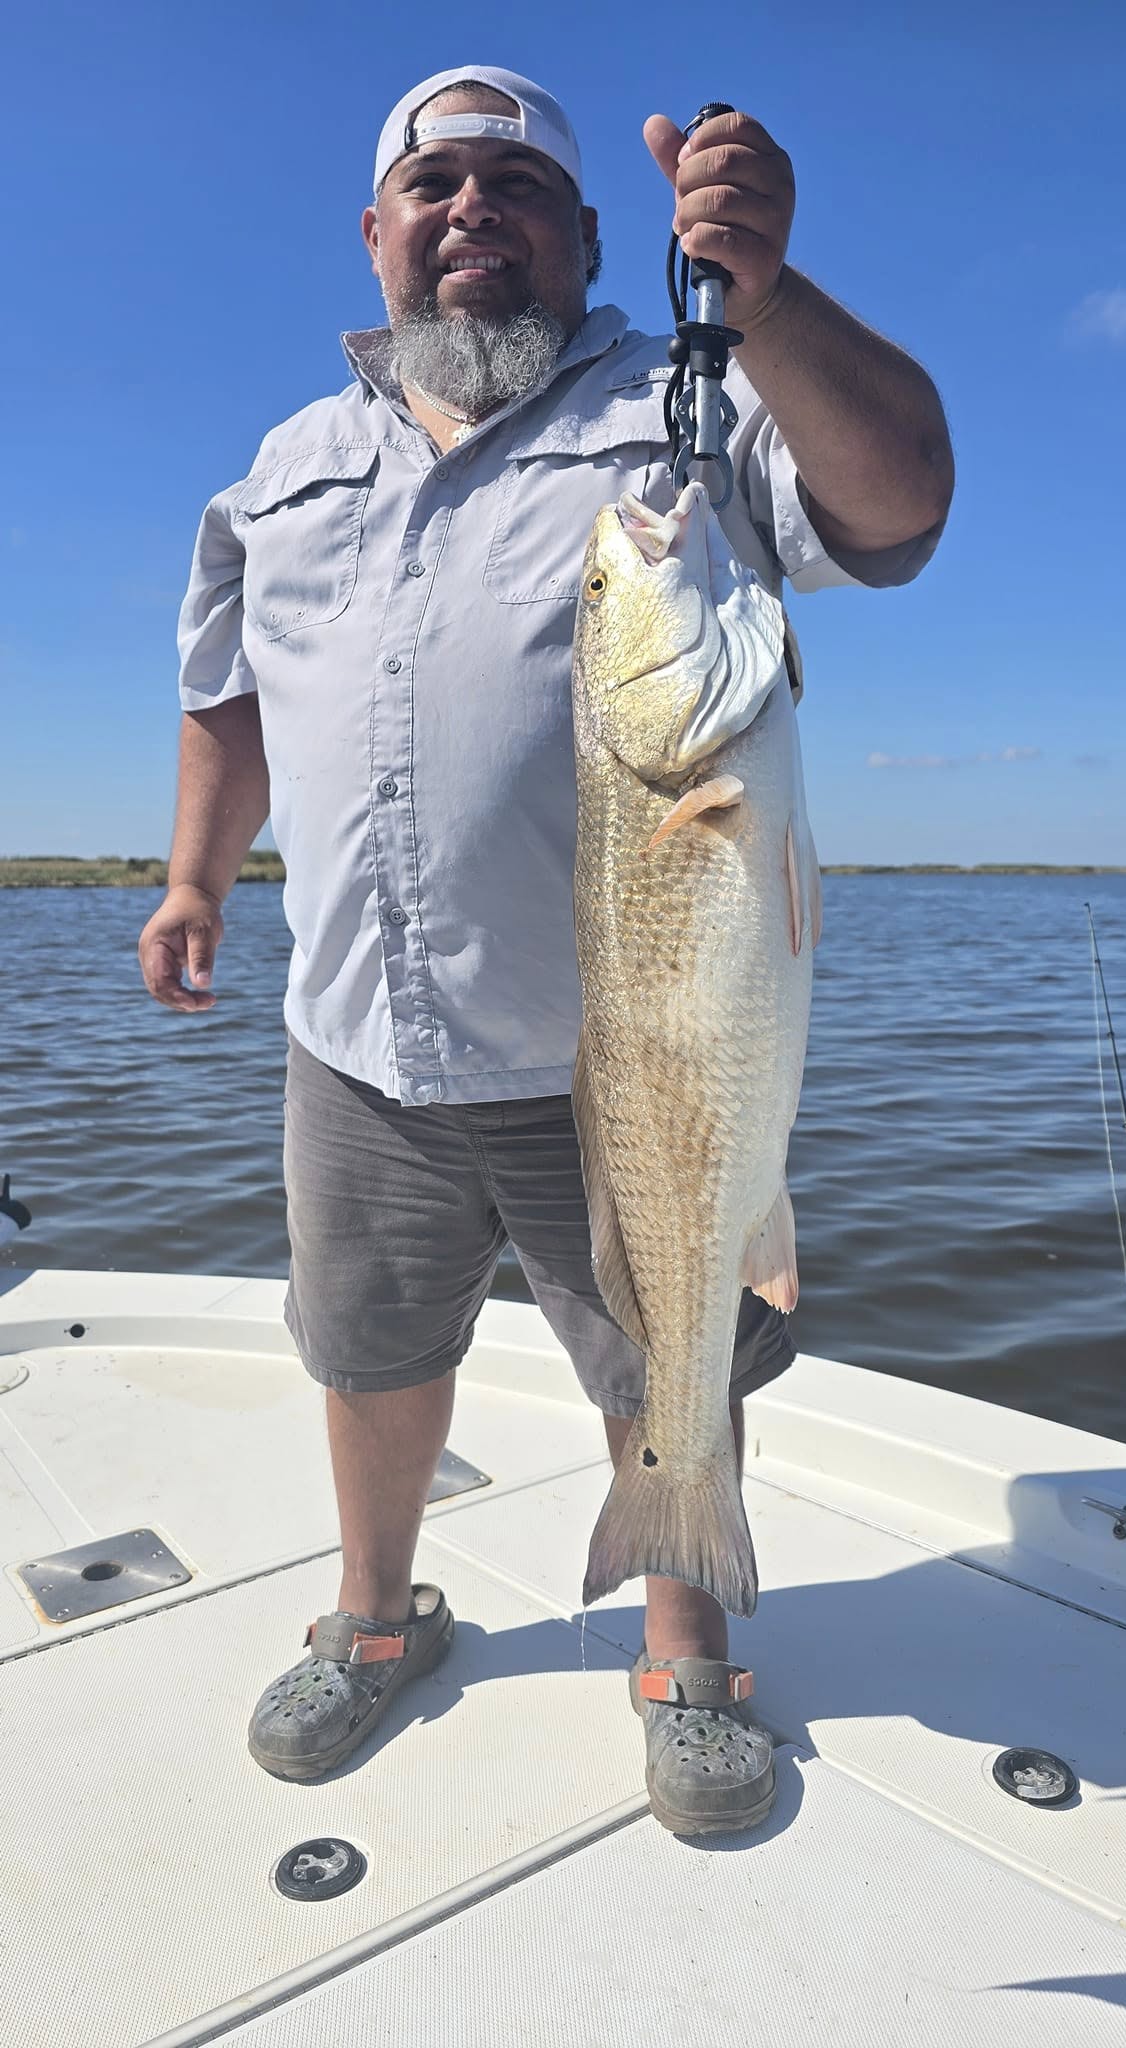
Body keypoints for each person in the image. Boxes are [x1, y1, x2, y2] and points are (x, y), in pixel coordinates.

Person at [139, 65, 952, 1833]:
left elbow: (893, 510)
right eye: (432, 181)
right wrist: (196, 877)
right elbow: (225, 699)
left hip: (626, 1045)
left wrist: (768, 294)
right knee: (365, 1351)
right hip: (355, 1029)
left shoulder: (697, 412)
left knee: (672, 1349)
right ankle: (375, 1618)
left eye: (515, 184)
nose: (470, 210)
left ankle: (685, 1644)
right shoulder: (281, 469)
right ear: (375, 232)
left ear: (588, 237)